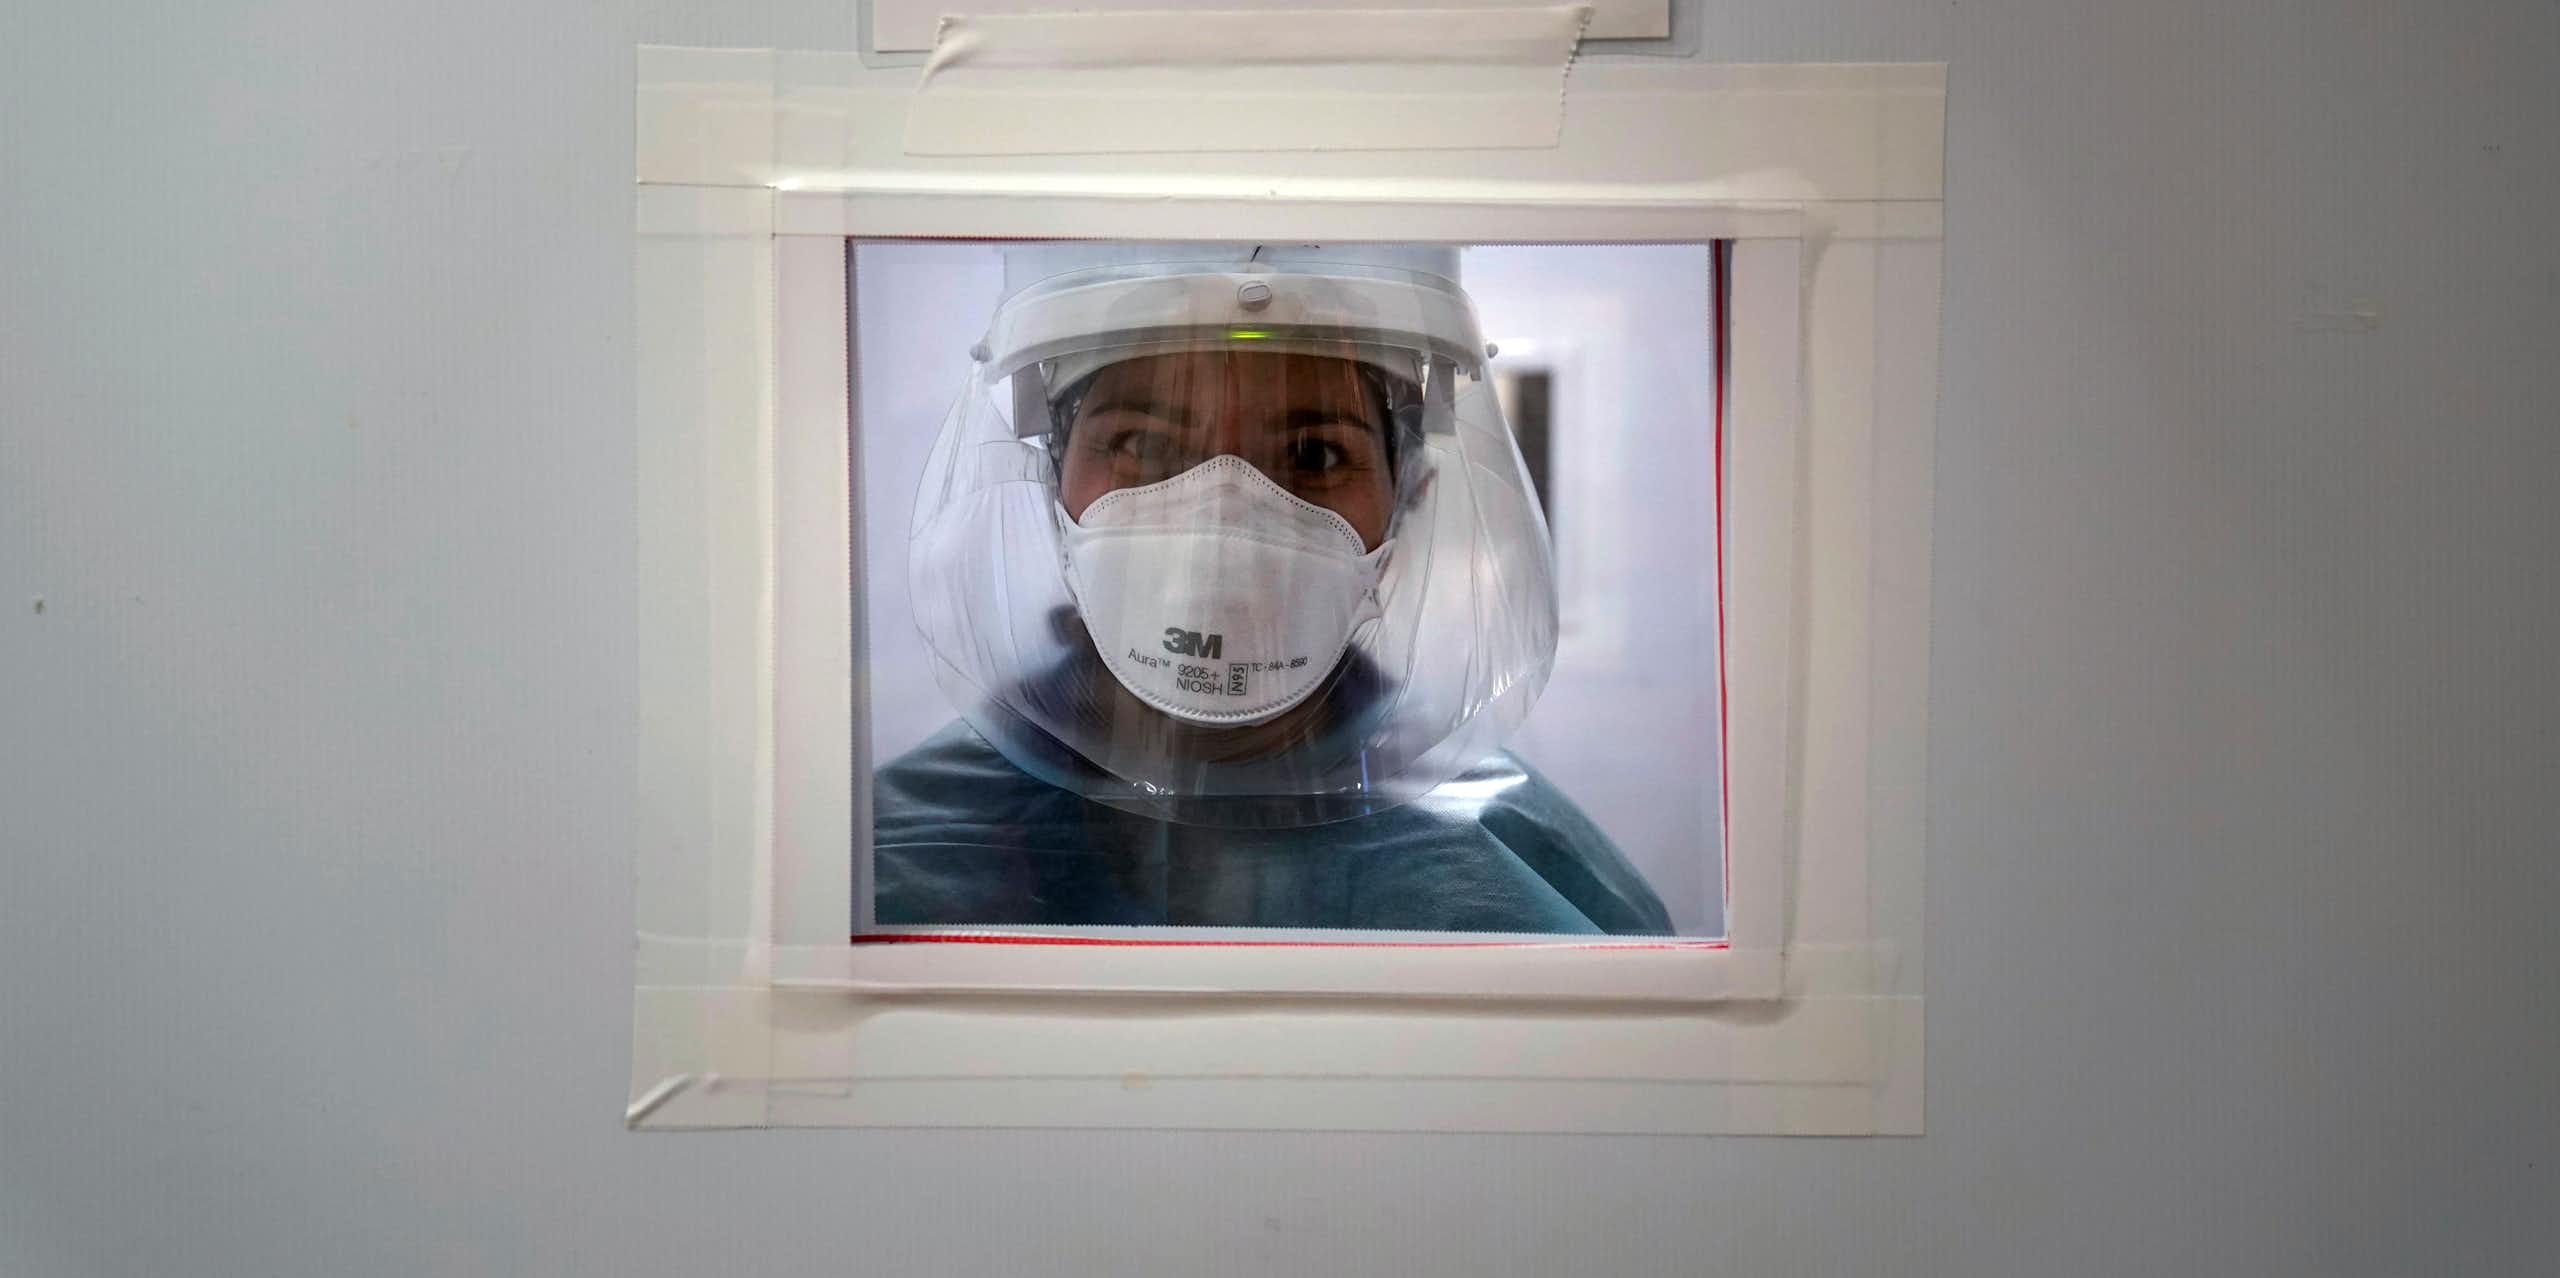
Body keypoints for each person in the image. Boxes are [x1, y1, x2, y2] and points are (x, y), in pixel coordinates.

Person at [871, 246, 1672, 935]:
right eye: (1143, 442)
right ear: (1054, 480)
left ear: (1408, 499)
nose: (1220, 520)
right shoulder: (892, 856)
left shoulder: (1519, 885)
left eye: (1315, 455)